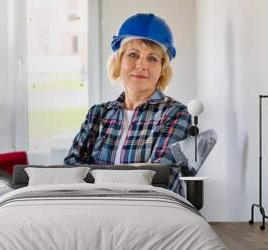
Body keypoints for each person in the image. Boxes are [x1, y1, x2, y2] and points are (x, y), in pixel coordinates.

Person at [64, 13, 191, 195]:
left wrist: (97, 180)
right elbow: (71, 169)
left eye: (152, 58)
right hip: (94, 211)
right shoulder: (97, 114)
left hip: (149, 214)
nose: (141, 65)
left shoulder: (175, 114)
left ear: (162, 69)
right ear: (119, 61)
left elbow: (161, 177)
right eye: (133, 55)